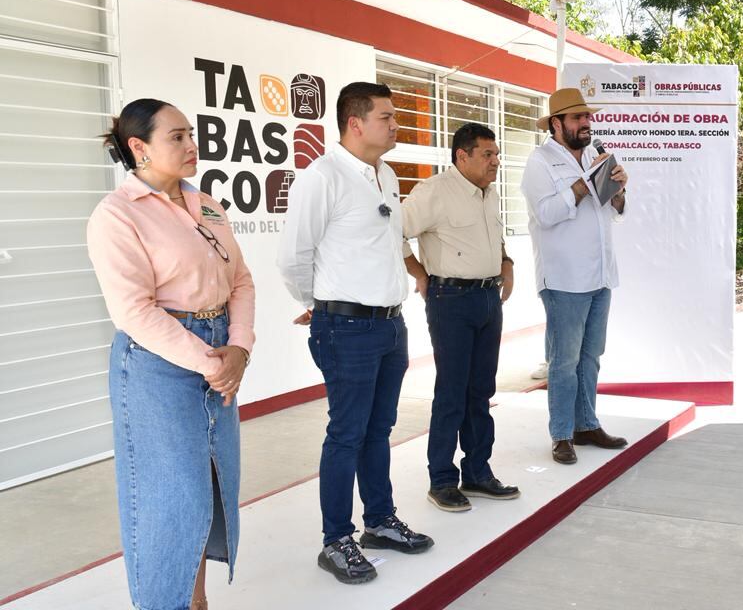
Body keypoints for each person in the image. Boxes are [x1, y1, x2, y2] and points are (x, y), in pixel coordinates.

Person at [87, 98, 255, 610]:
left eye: (191, 135)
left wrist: (240, 348)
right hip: (157, 367)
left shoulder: (206, 204)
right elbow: (134, 311)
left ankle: (195, 601)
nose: (191, 146)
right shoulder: (117, 215)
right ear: (138, 148)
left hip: (219, 355)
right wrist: (214, 363)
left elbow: (241, 281)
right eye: (176, 137)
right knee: (167, 499)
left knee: (207, 490)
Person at [278, 82, 432, 585]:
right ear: (355, 123)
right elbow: (294, 256)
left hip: (390, 325)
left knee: (377, 430)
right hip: (345, 326)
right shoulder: (322, 178)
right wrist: (315, 304)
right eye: (386, 117)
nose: (396, 125)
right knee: (346, 433)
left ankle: (380, 522)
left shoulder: (385, 175)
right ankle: (336, 539)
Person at [402, 122, 519, 512]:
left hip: (488, 299)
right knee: (452, 391)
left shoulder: (489, 193)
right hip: (450, 299)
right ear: (462, 156)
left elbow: (493, 235)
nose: (496, 162)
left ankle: (478, 472)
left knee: (481, 390)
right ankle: (441, 480)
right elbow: (393, 230)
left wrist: (506, 261)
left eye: (497, 154)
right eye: (487, 154)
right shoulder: (434, 192)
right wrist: (419, 272)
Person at [521, 88, 631, 465]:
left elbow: (614, 210)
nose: (587, 123)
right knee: (564, 361)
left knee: (591, 356)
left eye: (588, 117)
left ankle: (587, 424)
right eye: (578, 118)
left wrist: (618, 189)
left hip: (600, 274)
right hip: (565, 278)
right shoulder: (539, 162)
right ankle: (562, 434)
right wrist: (582, 185)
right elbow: (546, 214)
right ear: (557, 124)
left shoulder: (595, 155)